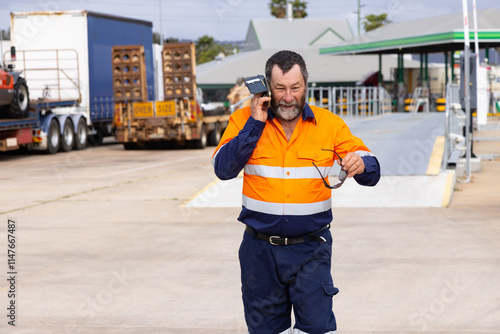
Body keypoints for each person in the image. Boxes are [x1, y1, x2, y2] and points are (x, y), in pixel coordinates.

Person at [212, 50, 380, 334]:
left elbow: (373, 172)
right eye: (280, 88)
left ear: (306, 86)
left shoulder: (330, 125)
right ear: (267, 87)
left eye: (295, 88)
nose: (288, 97)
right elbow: (223, 169)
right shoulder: (243, 121)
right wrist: (255, 124)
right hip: (259, 252)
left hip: (311, 250)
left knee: (316, 329)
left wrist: (361, 164)